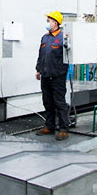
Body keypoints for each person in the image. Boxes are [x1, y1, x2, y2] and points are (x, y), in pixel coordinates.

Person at [35, 11, 69, 141]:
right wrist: (38, 70)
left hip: (57, 77)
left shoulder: (63, 38)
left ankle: (63, 129)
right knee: (47, 102)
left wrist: (61, 72)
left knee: (59, 103)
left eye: (48, 21)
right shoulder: (45, 37)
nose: (47, 23)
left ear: (55, 22)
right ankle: (49, 126)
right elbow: (41, 55)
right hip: (45, 75)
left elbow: (67, 57)